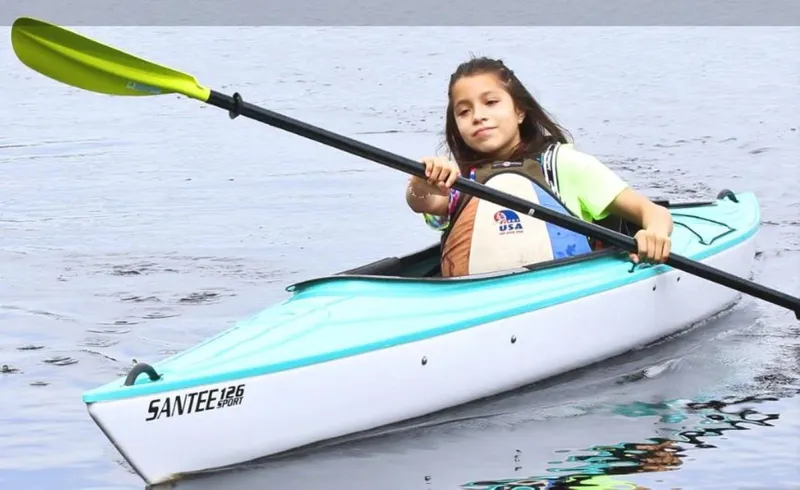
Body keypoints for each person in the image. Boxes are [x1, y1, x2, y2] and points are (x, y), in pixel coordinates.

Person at [405, 56, 674, 278]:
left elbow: (651, 212)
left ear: (519, 111)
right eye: (464, 111)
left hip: (566, 291)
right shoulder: (461, 182)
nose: (478, 116)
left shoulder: (565, 165)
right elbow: (423, 201)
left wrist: (655, 234)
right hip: (479, 302)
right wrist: (422, 179)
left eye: (491, 102)